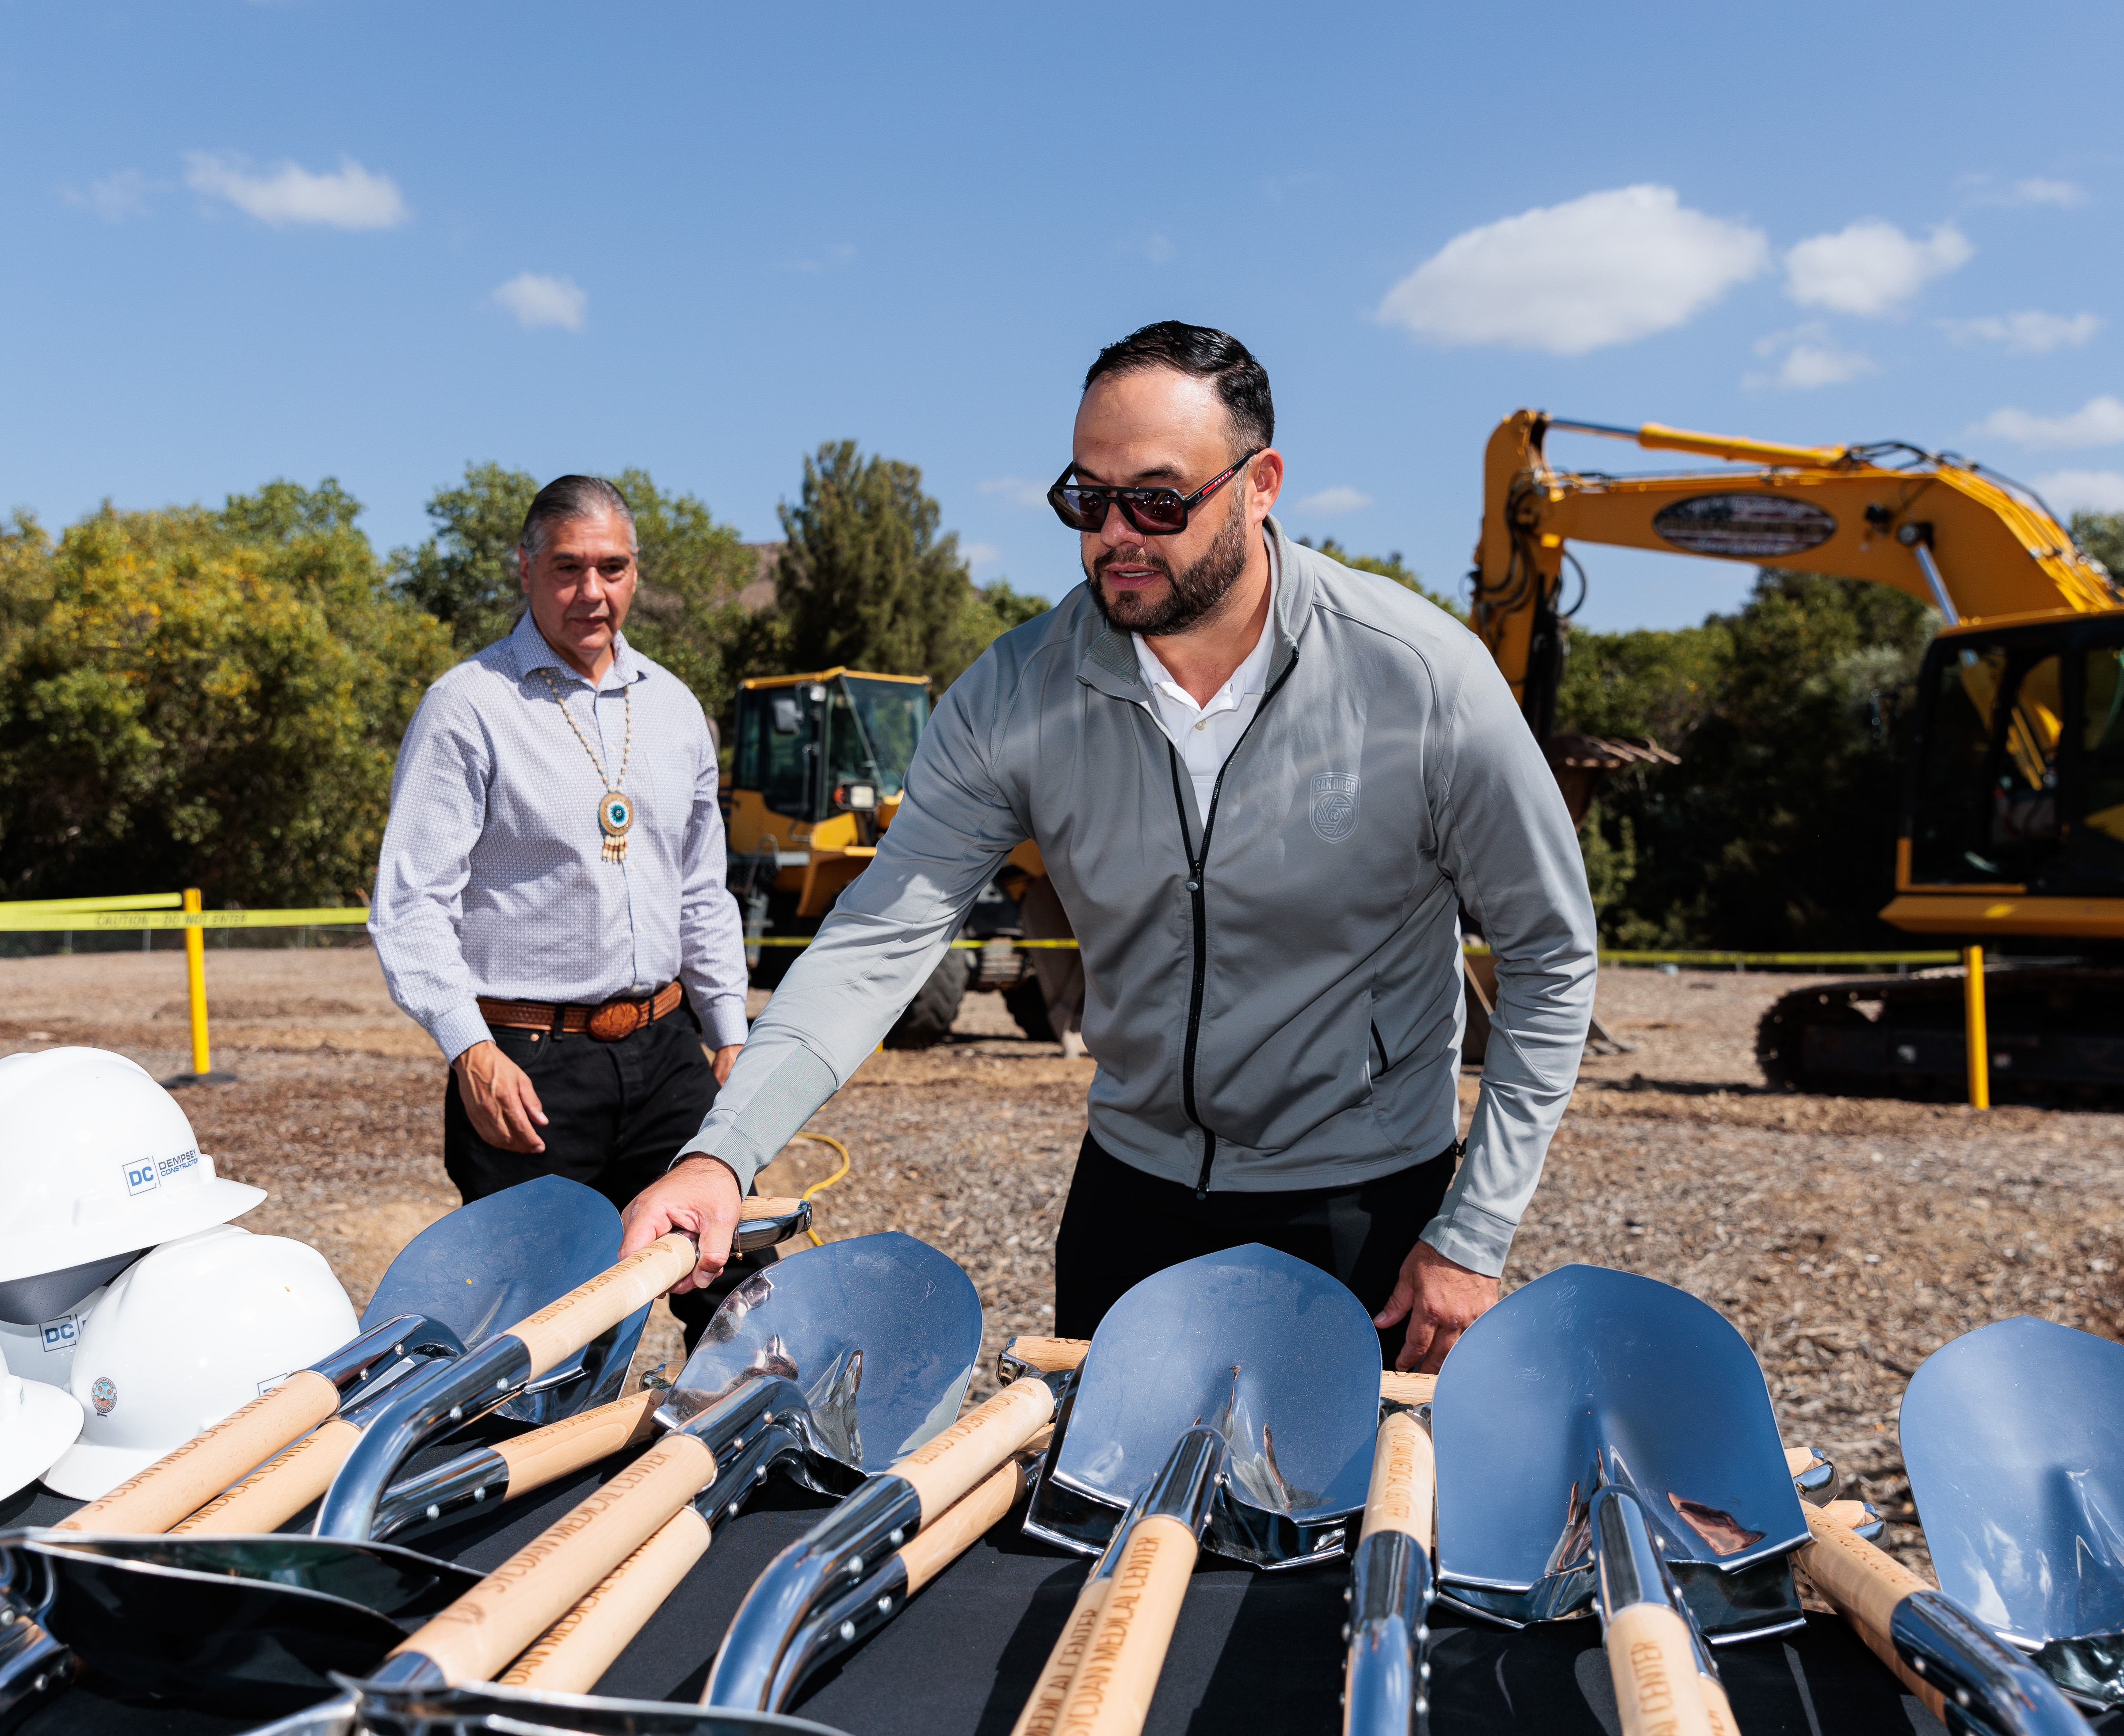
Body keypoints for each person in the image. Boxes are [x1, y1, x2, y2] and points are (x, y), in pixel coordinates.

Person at [623, 322, 1597, 1373]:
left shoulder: (1423, 680)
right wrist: (723, 1153)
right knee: (1098, 1521)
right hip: (1131, 1197)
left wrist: (1473, 1227)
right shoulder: (1018, 692)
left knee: (1340, 1523)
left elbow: (1551, 953)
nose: (1115, 534)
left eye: (1158, 499)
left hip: (1363, 1204)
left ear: (1260, 483)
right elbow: (878, 936)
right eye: (1087, 498)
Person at [370, 474, 753, 1328]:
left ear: (636, 572)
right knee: (543, 1338)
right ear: (526, 570)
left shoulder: (676, 710)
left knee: (735, 1297)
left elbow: (700, 889)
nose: (593, 593)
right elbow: (410, 903)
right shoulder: (468, 707)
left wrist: (730, 1032)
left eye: (612, 569)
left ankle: (717, 1462)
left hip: (667, 1057)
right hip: (528, 1071)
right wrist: (469, 1049)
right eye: (568, 569)